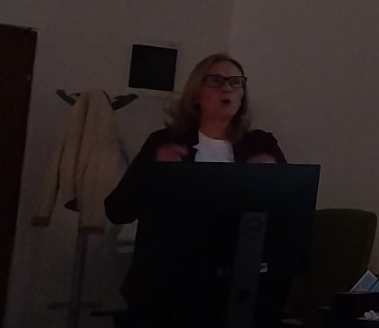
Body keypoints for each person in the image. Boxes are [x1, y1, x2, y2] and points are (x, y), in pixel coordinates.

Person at [104, 52, 287, 226]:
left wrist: (273, 181)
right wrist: (156, 172)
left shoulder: (261, 144)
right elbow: (117, 212)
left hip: (239, 246)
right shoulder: (163, 141)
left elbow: (290, 212)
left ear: (241, 98)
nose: (227, 88)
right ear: (196, 95)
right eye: (216, 81)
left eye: (236, 82)